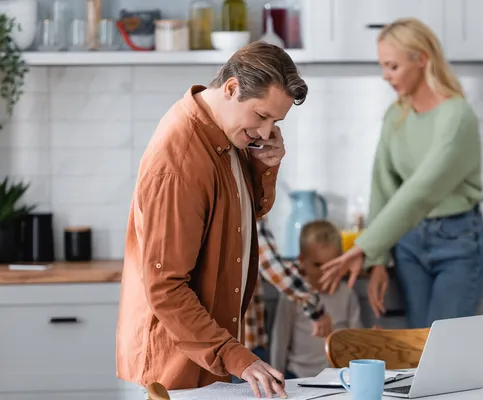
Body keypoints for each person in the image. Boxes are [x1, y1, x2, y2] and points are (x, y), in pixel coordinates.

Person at [116, 41, 308, 399]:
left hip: (205, 358)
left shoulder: (224, 134)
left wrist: (264, 166)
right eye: (261, 116)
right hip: (170, 371)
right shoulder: (182, 161)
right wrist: (236, 357)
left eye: (276, 122)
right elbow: (166, 287)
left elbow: (236, 220)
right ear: (232, 88)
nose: (266, 133)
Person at [319, 18, 483, 329]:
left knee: (442, 348)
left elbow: (421, 190)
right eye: (383, 66)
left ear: (422, 59)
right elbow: (383, 186)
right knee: (417, 349)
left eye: (393, 66)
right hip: (407, 243)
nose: (386, 76)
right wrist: (379, 260)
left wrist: (366, 245)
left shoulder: (457, 116)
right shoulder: (396, 116)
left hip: (457, 240)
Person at [271, 220, 362, 379]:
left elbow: (357, 341)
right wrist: (275, 379)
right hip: (298, 375)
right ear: (301, 261)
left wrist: (371, 339)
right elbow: (280, 341)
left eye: (331, 265)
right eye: (318, 265)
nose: (325, 273)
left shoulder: (347, 294)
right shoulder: (293, 296)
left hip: (339, 376)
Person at [242, 216, 333, 366]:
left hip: (237, 343)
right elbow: (273, 266)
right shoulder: (247, 208)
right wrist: (316, 309)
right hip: (240, 347)